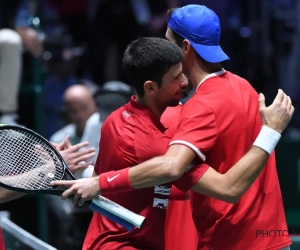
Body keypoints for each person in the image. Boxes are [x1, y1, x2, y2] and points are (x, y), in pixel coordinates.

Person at [51, 37, 294, 250]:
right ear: (151, 87)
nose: (185, 82)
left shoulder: (118, 118)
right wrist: (270, 132)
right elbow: (228, 189)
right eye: (176, 77)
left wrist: (99, 183)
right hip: (123, 244)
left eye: (183, 73)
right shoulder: (155, 145)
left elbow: (100, 175)